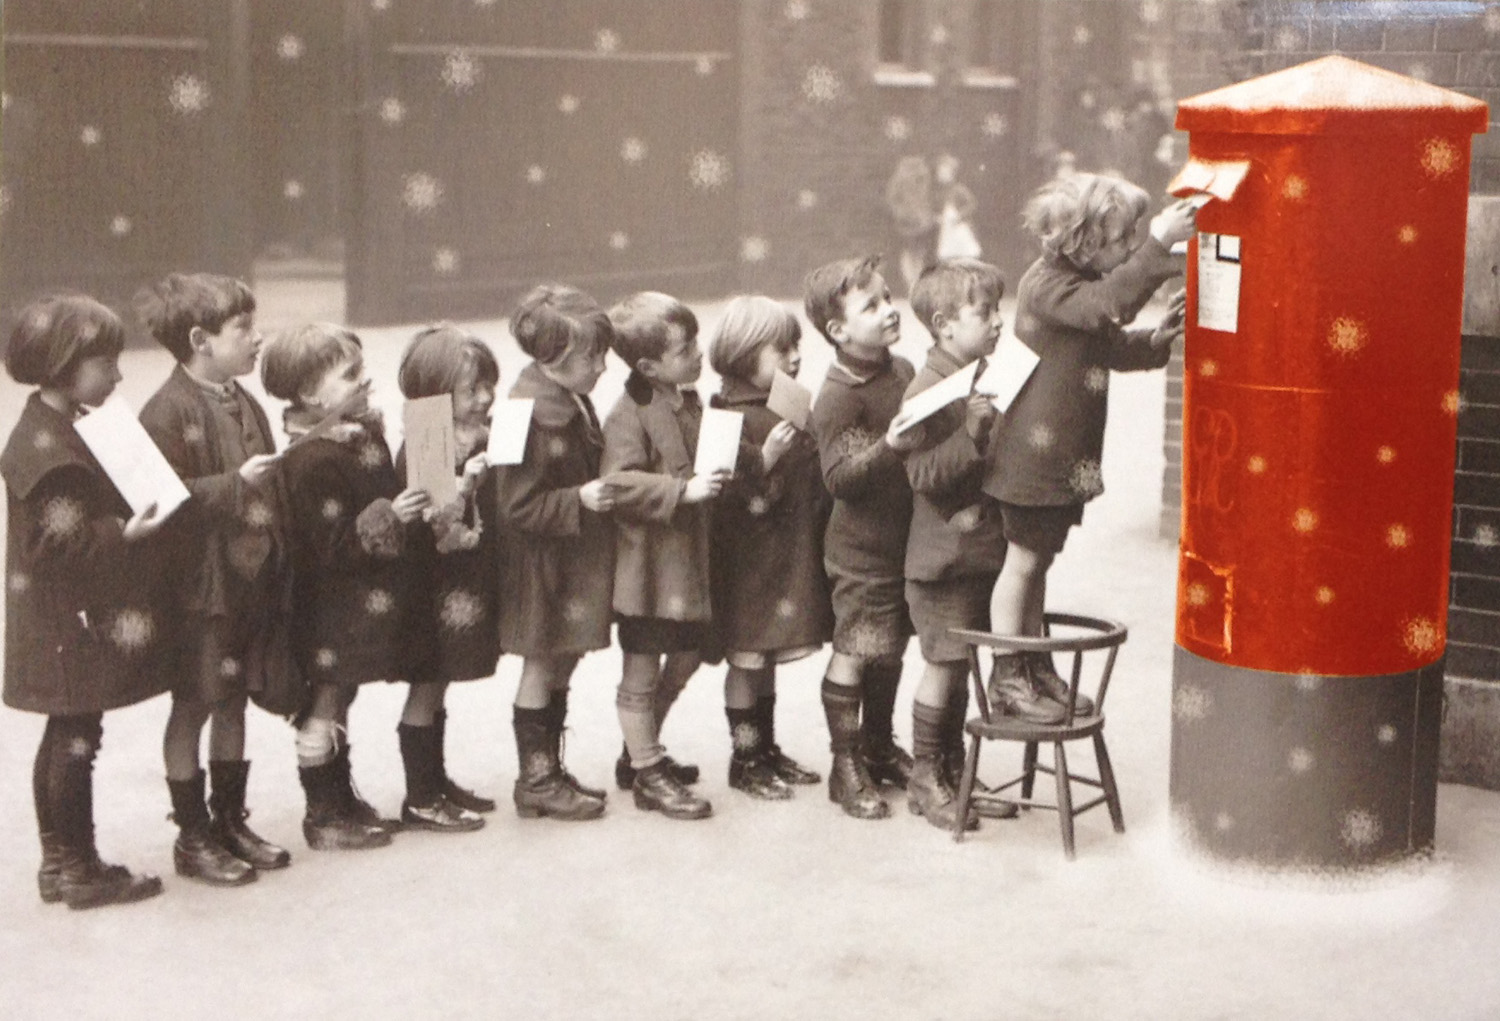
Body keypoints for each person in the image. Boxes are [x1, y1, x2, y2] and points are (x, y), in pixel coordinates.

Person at [983, 174, 1193, 719]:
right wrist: (1159, 247)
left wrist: (1156, 342)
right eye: (1122, 239)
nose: (1129, 248)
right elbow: (1107, 308)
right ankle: (1008, 675)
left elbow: (1106, 343)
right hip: (1032, 462)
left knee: (1038, 562)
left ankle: (1033, 665)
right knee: (1023, 563)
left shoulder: (1071, 282)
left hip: (1053, 460)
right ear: (1082, 240)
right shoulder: (1047, 286)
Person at [2, 294, 173, 908]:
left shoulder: (52, 426)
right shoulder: (50, 453)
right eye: (106, 363)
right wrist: (120, 534)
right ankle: (78, 867)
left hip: (53, 618)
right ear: (63, 364)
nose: (120, 375)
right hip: (63, 622)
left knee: (66, 733)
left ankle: (60, 862)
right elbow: (53, 544)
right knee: (77, 737)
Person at [136, 273, 292, 886]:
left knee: (233, 697)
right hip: (204, 589)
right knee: (197, 700)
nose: (258, 339)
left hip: (250, 578)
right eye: (244, 329)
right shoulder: (166, 412)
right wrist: (236, 486)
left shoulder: (243, 398)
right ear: (200, 339)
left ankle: (229, 819)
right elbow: (156, 504)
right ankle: (192, 835)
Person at [261, 323, 430, 850]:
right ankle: (322, 812)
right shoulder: (311, 458)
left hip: (357, 601)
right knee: (326, 700)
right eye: (350, 374)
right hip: (329, 605)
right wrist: (390, 514)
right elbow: (330, 546)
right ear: (312, 394)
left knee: (344, 694)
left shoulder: (359, 431)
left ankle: (341, 797)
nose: (365, 379)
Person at [899, 258, 1017, 831]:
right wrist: (972, 432)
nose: (998, 321)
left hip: (974, 553)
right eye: (984, 312)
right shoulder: (928, 388)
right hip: (940, 560)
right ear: (945, 324)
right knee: (943, 667)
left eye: (997, 309)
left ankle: (953, 770)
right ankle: (926, 777)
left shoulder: (979, 371)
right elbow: (921, 476)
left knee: (962, 662)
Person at [602, 291, 729, 821]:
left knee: (690, 653)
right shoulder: (628, 413)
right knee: (641, 667)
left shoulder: (689, 399)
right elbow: (617, 481)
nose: (698, 354)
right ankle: (648, 768)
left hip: (687, 562)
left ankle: (640, 751)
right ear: (648, 366)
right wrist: (681, 492)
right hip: (648, 569)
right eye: (685, 349)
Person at [492, 285, 617, 822]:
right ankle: (535, 780)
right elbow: (514, 506)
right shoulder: (521, 414)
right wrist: (578, 498)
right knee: (541, 664)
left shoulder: (568, 398)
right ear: (556, 359)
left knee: (561, 660)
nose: (604, 366)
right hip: (538, 566)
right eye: (594, 355)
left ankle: (548, 771)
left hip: (568, 560)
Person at [804, 255, 922, 820]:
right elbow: (840, 480)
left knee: (890, 648)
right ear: (838, 330)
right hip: (860, 553)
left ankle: (877, 744)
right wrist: (891, 448)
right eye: (871, 305)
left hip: (901, 543)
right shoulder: (838, 397)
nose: (888, 309)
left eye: (887, 296)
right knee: (855, 652)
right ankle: (844, 764)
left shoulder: (897, 370)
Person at [706, 296, 831, 800]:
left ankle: (767, 749)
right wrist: (768, 458)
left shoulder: (787, 399)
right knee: (747, 661)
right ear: (741, 354)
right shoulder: (721, 415)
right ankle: (745, 758)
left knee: (768, 658)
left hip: (781, 555)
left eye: (796, 345)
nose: (796, 357)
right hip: (747, 564)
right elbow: (722, 497)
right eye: (781, 349)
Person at [391, 324, 502, 833]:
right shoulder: (429, 437)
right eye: (472, 390)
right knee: (427, 684)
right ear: (436, 393)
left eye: (488, 386)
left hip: (451, 585)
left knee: (440, 685)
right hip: (429, 588)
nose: (485, 398)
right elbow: (445, 530)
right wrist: (471, 481)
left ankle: (435, 781)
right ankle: (420, 797)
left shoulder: (466, 433)